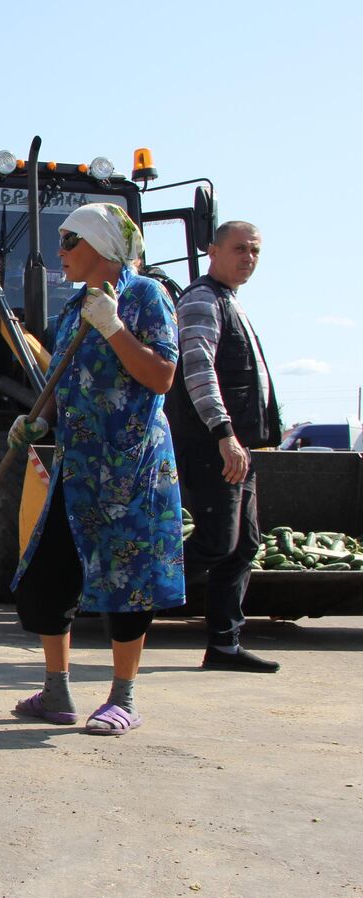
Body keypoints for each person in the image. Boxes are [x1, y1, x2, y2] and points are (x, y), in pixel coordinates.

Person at [9, 202, 184, 736]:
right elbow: (68, 383)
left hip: (131, 470)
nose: (59, 252)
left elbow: (161, 376)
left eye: (68, 241)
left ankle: (123, 697)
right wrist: (37, 421)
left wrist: (111, 327)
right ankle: (56, 690)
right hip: (78, 465)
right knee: (44, 579)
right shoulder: (72, 310)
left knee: (126, 582)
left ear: (101, 248)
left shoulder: (144, 297)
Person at [167, 222, 281, 673]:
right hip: (212, 446)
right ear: (212, 250)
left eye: (255, 250)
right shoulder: (201, 300)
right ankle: (129, 601)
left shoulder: (230, 302)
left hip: (239, 447)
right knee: (216, 544)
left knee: (243, 545)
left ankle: (224, 645)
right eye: (239, 249)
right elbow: (197, 370)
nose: (248, 257)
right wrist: (223, 433)